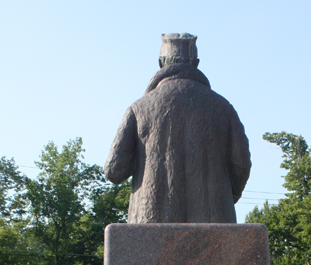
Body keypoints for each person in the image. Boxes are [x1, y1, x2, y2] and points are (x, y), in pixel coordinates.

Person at [104, 33, 251, 223]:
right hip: (215, 225)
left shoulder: (139, 109)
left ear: (161, 63)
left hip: (150, 229)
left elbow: (114, 170)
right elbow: (241, 164)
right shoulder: (224, 109)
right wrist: (227, 197)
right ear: (196, 63)